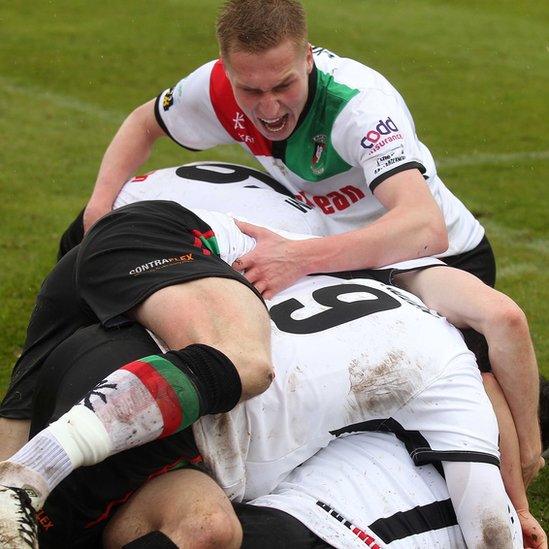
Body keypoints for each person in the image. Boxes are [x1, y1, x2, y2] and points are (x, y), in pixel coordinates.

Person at [0, 163, 542, 487]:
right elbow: (503, 321)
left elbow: (147, 119)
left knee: (45, 376)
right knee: (242, 369)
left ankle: (24, 473)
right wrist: (528, 452)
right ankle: (34, 472)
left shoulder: (334, 234)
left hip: (131, 217)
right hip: (154, 232)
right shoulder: (377, 260)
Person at [0, 271, 531, 548]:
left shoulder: (361, 284)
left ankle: (25, 476)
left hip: (110, 352)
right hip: (161, 415)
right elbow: (487, 522)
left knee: (206, 526)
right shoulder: (451, 373)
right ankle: (26, 477)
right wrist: (519, 517)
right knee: (205, 528)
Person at [83, 0, 494, 296]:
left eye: (284, 84)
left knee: (472, 391)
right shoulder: (214, 88)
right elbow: (142, 123)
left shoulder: (359, 105)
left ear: (308, 59)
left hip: (440, 259)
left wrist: (299, 258)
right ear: (226, 70)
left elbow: (426, 227)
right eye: (250, 89)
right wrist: (99, 208)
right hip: (345, 257)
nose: (269, 106)